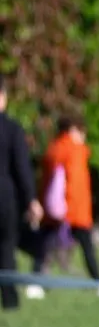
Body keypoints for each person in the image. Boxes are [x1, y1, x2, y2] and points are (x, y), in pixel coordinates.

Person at [34, 114, 99, 296]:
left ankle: (35, 283)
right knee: (87, 249)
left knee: (44, 248)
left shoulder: (52, 149)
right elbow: (75, 185)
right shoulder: (76, 151)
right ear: (73, 130)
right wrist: (73, 211)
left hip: (52, 210)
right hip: (75, 211)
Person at [0, 75, 40, 311]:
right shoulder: (12, 129)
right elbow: (22, 168)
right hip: (5, 198)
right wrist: (31, 199)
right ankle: (10, 300)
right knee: (7, 250)